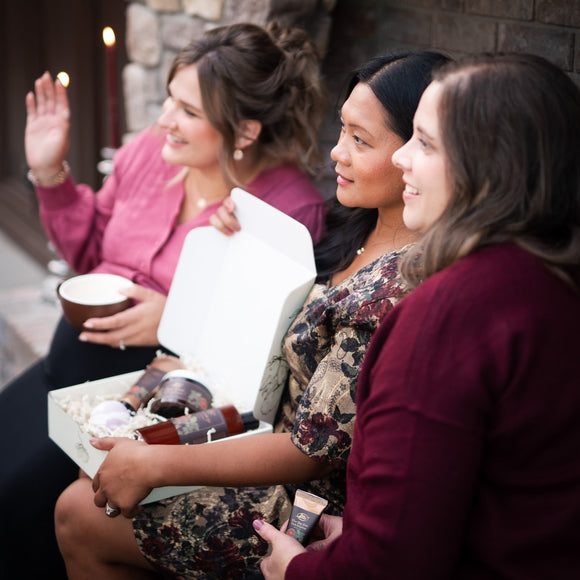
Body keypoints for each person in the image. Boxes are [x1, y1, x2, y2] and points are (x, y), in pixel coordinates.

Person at [53, 51, 450, 579]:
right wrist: (237, 243)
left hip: (303, 496)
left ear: (419, 153)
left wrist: (158, 462)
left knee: (78, 513)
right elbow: (264, 320)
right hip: (251, 423)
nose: (336, 153)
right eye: (342, 130)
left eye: (361, 140)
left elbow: (313, 451)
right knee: (93, 472)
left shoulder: (399, 285)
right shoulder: (342, 226)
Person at [0, 22, 328, 580]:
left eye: (187, 112)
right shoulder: (150, 155)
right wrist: (49, 169)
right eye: (168, 101)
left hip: (146, 402)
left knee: (17, 509)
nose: (162, 122)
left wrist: (175, 319)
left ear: (244, 129)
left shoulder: (285, 213)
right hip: (65, 376)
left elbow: (263, 366)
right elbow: (86, 248)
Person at [255, 52, 580, 580]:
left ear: (491, 166)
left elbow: (391, 565)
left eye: (424, 143)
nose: (402, 158)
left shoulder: (444, 316)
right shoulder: (552, 278)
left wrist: (299, 571)